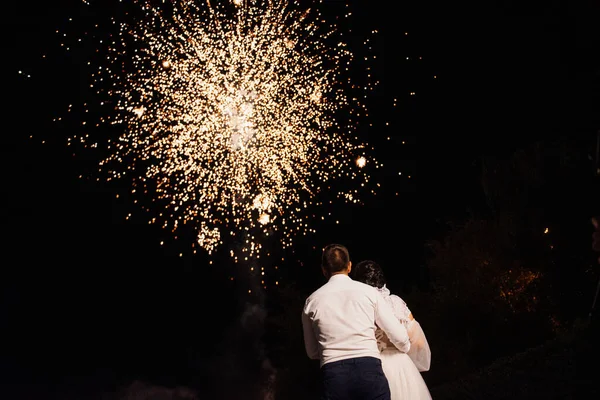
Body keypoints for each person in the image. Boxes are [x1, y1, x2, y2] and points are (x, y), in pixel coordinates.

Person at [302, 244, 411, 400]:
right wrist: (405, 347)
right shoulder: (369, 293)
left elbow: (312, 352)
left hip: (334, 376)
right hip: (369, 370)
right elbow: (399, 336)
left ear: (324, 270)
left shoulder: (311, 301)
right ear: (349, 266)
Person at [353, 260, 432, 400]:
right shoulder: (395, 302)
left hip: (371, 367)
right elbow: (419, 343)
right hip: (401, 367)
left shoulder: (359, 307)